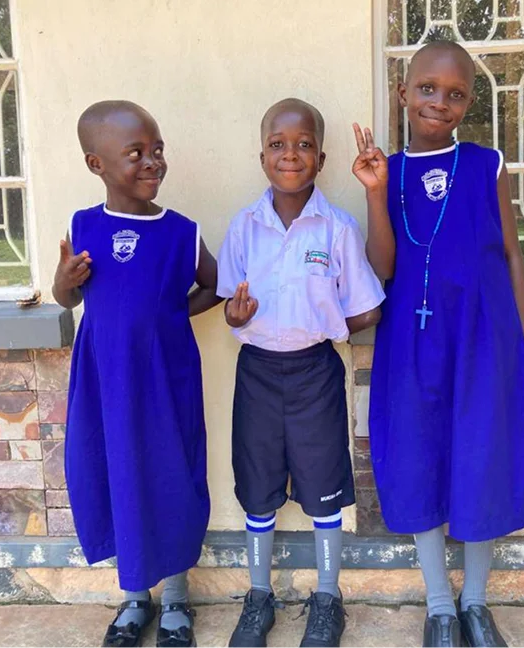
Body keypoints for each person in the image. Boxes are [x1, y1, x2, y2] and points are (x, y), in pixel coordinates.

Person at [352, 41, 524, 648]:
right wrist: (376, 192)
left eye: (455, 94)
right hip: (411, 340)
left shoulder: (488, 164)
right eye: (427, 89)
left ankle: (475, 603)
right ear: (404, 92)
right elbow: (382, 266)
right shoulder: (390, 169)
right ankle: (438, 606)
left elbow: (511, 254)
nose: (440, 102)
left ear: (468, 103)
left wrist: (521, 346)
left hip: (483, 339)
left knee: (481, 458)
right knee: (418, 457)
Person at [217, 98, 384, 648]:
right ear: (261, 155)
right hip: (258, 372)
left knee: (323, 485)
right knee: (258, 485)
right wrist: (233, 315)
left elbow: (367, 307)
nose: (291, 154)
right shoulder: (243, 227)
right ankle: (259, 595)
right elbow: (229, 302)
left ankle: (328, 597)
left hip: (315, 373)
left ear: (322, 157)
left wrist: (330, 322)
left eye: (304, 144)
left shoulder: (336, 228)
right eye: (278, 145)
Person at [53, 100, 221, 648]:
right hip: (106, 382)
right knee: (116, 471)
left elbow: (214, 285)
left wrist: (172, 314)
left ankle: (175, 598)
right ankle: (134, 598)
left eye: (157, 150)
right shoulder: (84, 226)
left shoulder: (181, 231)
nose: (152, 162)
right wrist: (63, 280)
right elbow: (68, 298)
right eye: (135, 154)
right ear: (95, 164)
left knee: (168, 472)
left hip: (164, 378)